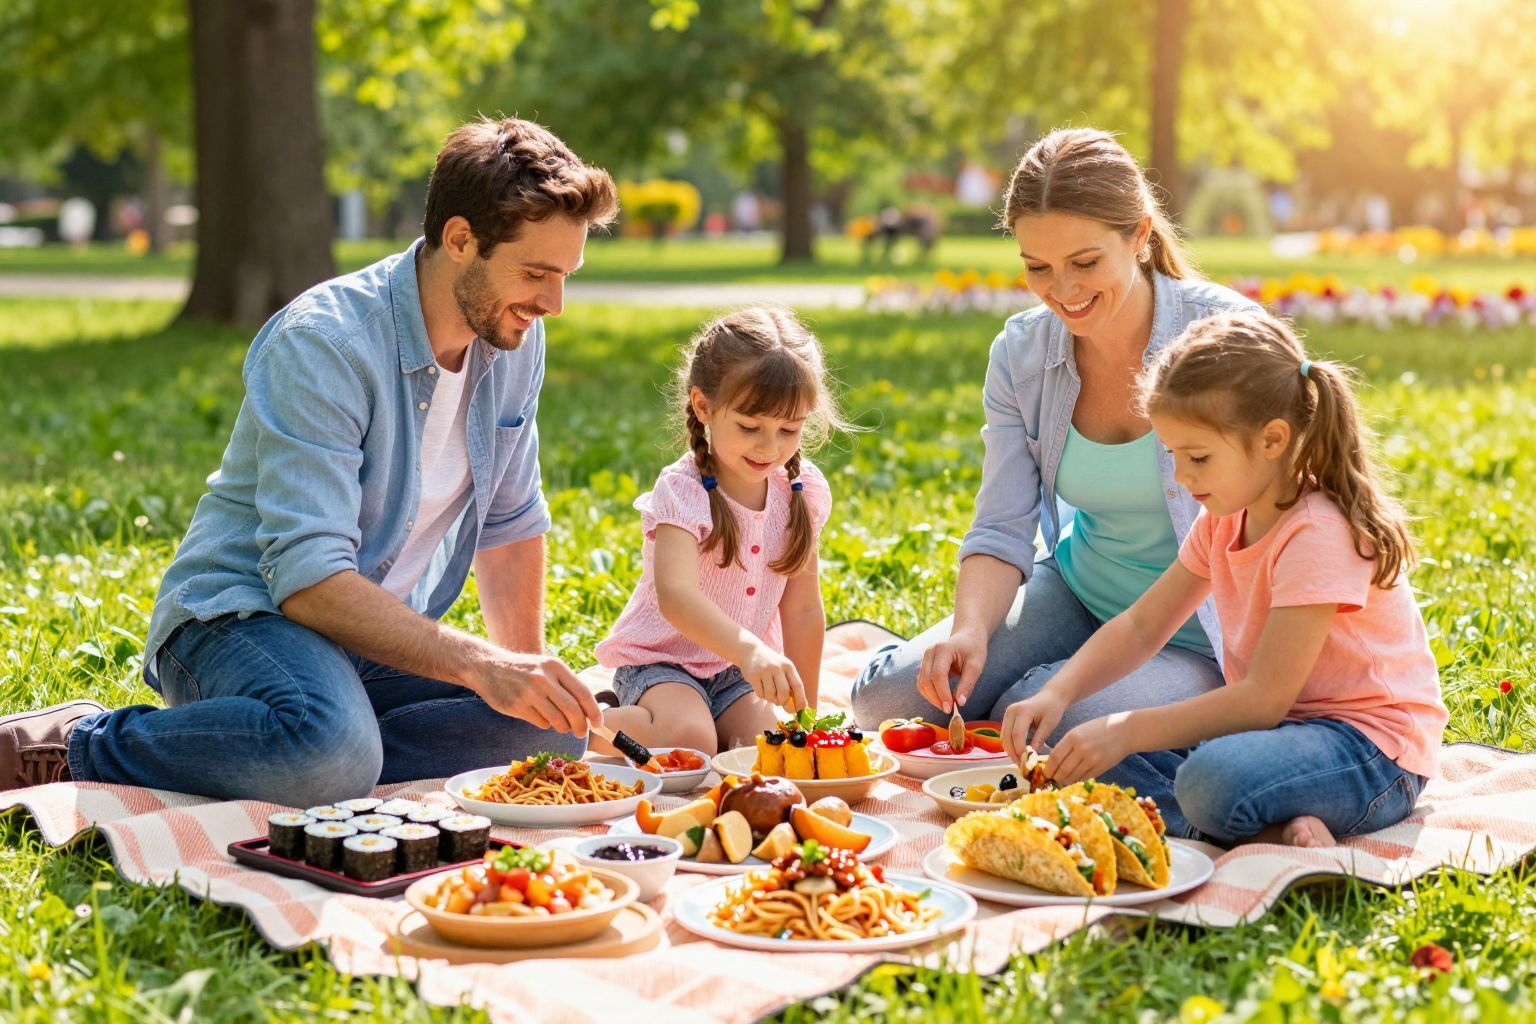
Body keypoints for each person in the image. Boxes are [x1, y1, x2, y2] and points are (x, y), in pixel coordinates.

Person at [0, 117, 619, 804]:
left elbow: (509, 524)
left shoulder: (511, 337)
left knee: (548, 734)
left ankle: (299, 743)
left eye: (565, 275)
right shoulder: (325, 342)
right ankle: (79, 743)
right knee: (330, 754)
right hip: (240, 619)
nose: (554, 304)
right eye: (536, 273)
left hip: (364, 641)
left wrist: (522, 678)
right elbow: (308, 581)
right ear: (460, 239)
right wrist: (480, 664)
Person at [851, 127, 1259, 737]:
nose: (1062, 291)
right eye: (1037, 267)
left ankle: (1069, 687)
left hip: (1200, 632)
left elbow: (1296, 516)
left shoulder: (1226, 335)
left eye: (1085, 263)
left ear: (1140, 235)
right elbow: (1001, 523)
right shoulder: (1022, 352)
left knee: (1052, 719)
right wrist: (969, 631)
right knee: (888, 703)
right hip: (1080, 591)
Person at [1002, 309, 1448, 847]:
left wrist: (1127, 730)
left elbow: (1264, 699)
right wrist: (1057, 692)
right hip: (1273, 739)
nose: (1182, 477)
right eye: (1171, 455)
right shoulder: (1222, 519)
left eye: (1198, 457)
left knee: (1208, 778)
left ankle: (1226, 816)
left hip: (1370, 751)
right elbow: (1143, 626)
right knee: (1075, 751)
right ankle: (1268, 824)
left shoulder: (1316, 533)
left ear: (1272, 440)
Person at [591, 307, 846, 755]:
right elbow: (676, 596)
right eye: (750, 427)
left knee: (765, 746)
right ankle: (586, 720)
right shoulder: (683, 489)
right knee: (690, 741)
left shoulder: (800, 493)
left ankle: (690, 714)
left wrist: (804, 714)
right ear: (703, 406)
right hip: (660, 661)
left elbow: (803, 610)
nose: (770, 447)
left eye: (789, 429)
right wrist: (750, 650)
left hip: (733, 670)